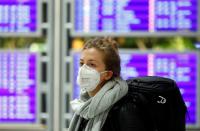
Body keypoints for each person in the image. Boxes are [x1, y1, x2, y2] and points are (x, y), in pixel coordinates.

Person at [68, 37, 146, 131]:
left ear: (108, 74)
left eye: (92, 64)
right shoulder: (84, 108)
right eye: (81, 63)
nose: (83, 69)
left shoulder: (125, 109)